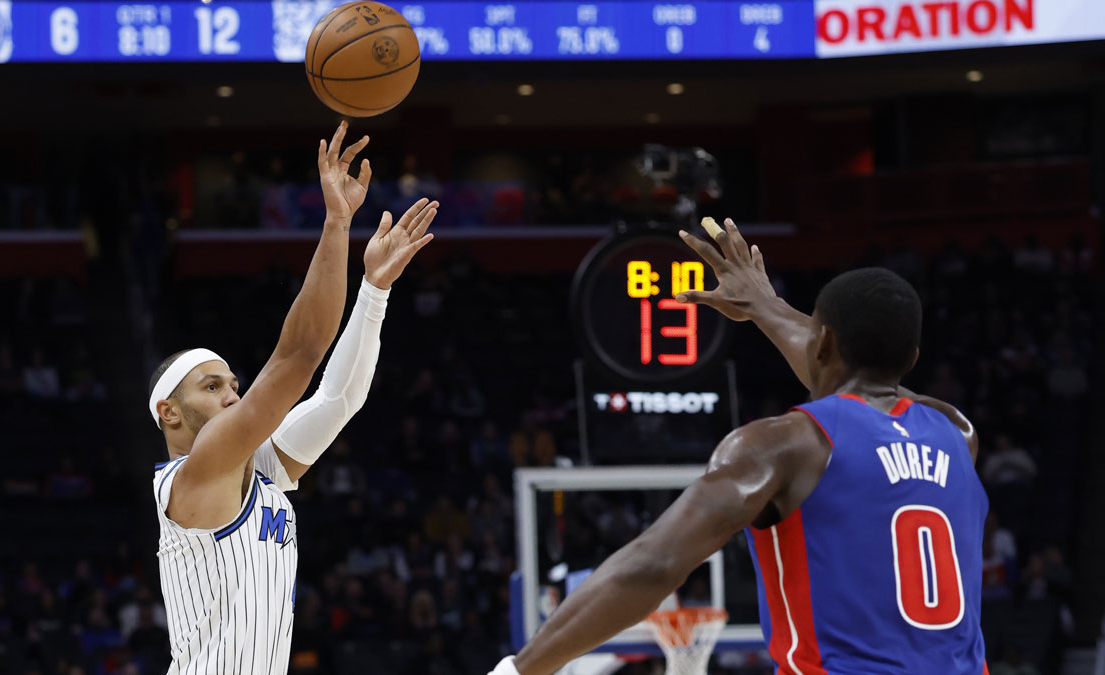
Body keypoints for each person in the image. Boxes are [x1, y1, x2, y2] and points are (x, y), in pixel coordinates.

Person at [493, 219, 988, 674]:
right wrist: (769, 309)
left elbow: (653, 565)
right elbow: (863, 386)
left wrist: (520, 669)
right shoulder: (957, 434)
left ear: (822, 344)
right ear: (914, 357)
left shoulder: (782, 446)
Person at [150, 122, 437, 674]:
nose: (234, 397)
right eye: (212, 387)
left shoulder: (257, 468)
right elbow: (301, 353)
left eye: (235, 384)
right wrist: (336, 223)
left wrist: (375, 291)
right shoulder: (194, 474)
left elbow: (339, 399)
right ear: (169, 412)